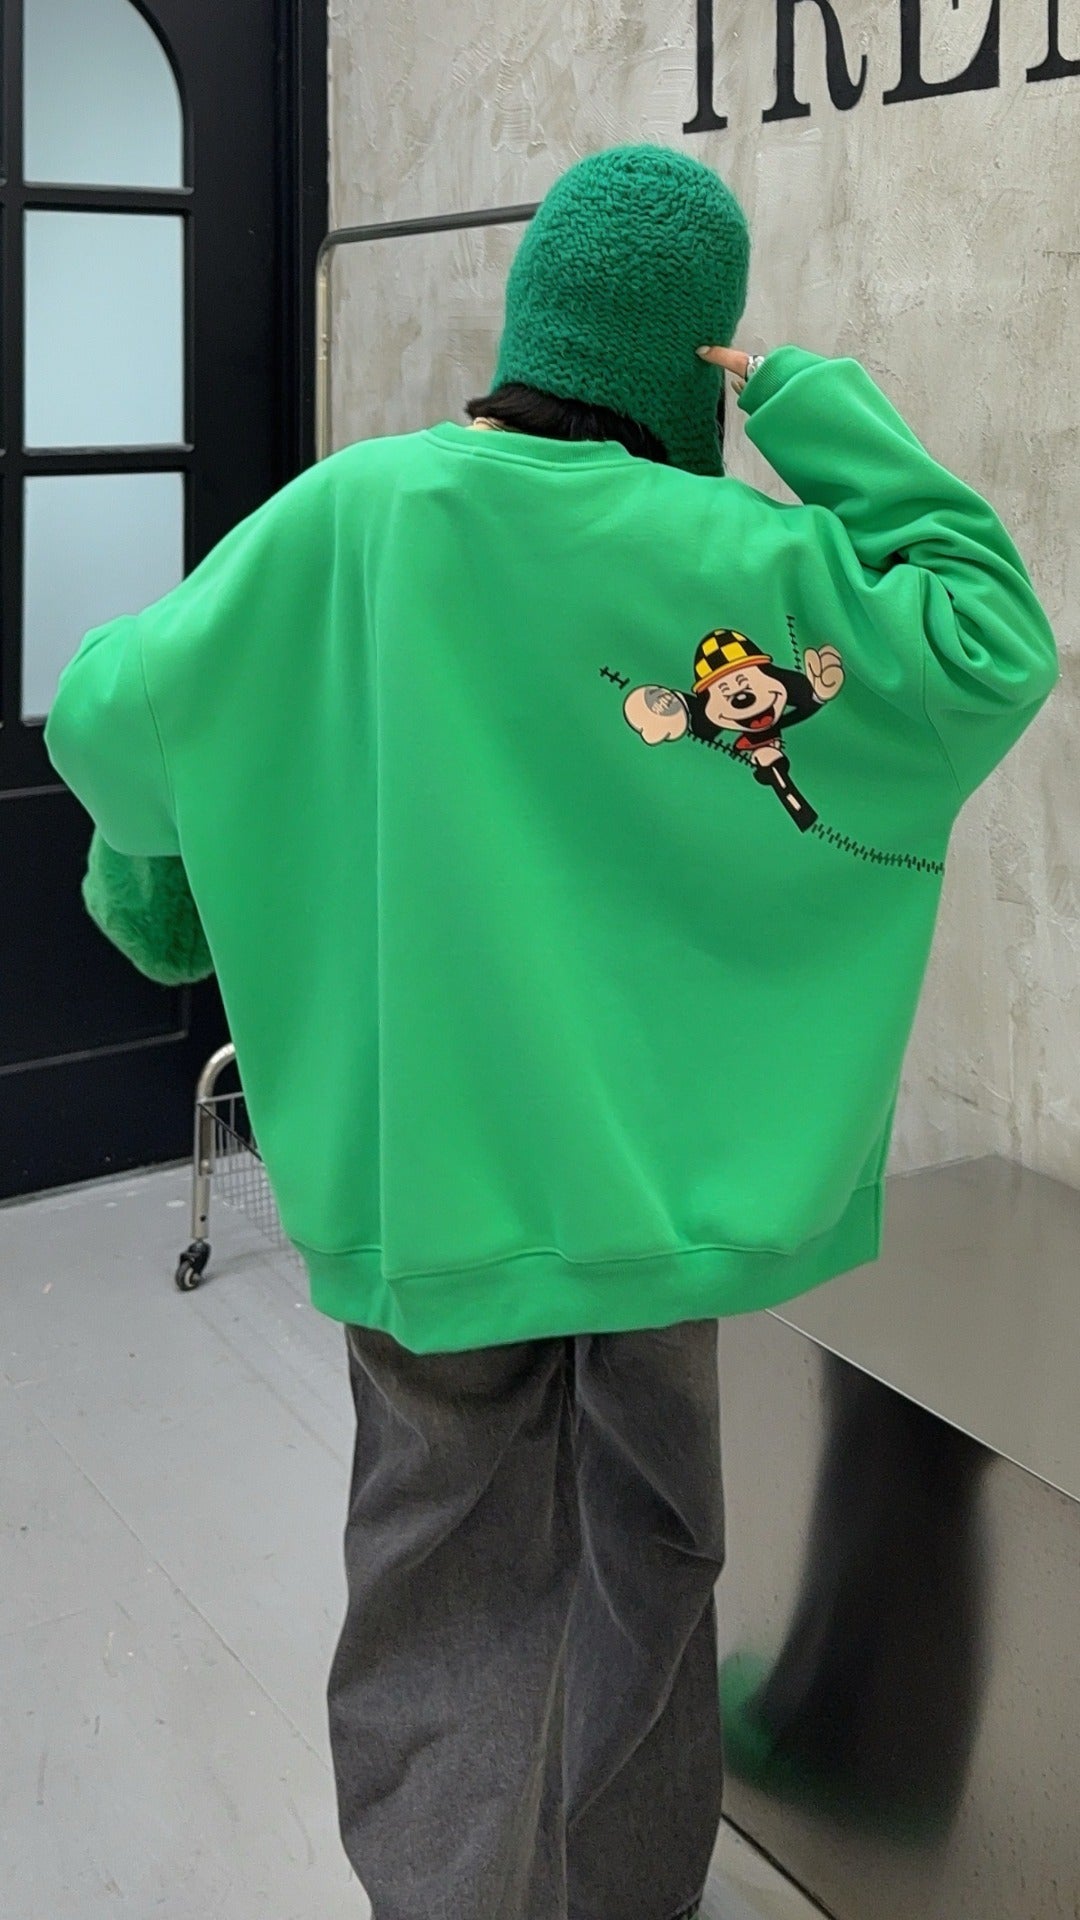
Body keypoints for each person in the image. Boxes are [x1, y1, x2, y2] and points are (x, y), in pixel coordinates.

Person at [45, 144, 1057, 1920]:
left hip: (433, 1194)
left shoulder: (359, 517)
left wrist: (162, 867)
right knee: (654, 1551)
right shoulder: (747, 560)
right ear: (695, 359)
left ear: (532, 317)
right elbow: (990, 634)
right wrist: (808, 399)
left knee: (441, 1577)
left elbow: (109, 721)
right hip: (661, 1200)